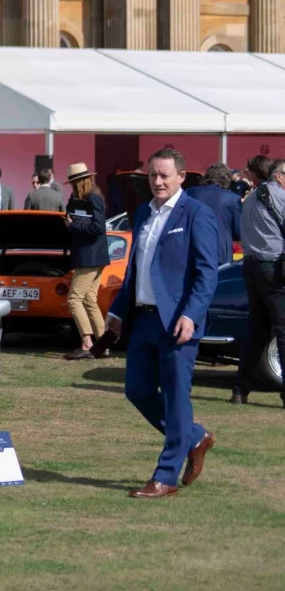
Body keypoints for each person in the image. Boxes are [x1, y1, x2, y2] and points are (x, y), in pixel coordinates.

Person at [104, 147, 221, 499]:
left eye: (165, 175)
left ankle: (165, 476)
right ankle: (195, 436)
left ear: (181, 177)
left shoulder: (197, 214)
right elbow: (135, 270)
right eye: (153, 175)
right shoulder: (142, 213)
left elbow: (207, 273)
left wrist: (191, 314)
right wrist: (117, 312)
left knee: (175, 398)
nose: (157, 181)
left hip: (178, 323)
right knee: (137, 390)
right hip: (143, 320)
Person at [233, 158, 285, 406]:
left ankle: (240, 390)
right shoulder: (279, 195)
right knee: (283, 330)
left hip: (251, 265)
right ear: (279, 176)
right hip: (273, 267)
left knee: (256, 331)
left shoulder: (251, 197)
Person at [61, 162, 110, 360]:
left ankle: (87, 343)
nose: (72, 187)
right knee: (89, 300)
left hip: (90, 257)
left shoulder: (93, 198)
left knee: (74, 299)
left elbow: (97, 228)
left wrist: (72, 226)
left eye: (73, 183)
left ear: (79, 181)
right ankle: (103, 346)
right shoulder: (78, 198)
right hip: (92, 257)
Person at [186, 164, 243, 249]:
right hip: (220, 250)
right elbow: (238, 232)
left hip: (193, 248)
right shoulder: (233, 198)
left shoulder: (190, 192)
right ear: (226, 179)